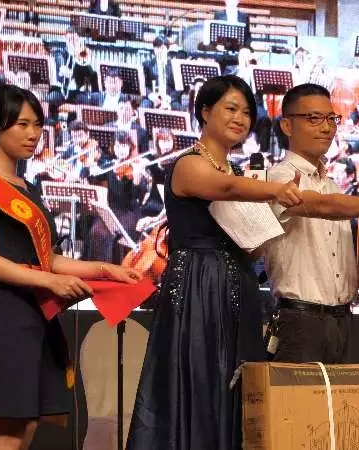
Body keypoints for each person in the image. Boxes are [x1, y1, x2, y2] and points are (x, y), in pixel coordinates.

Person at [125, 75, 303, 450]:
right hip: (197, 288)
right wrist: (276, 190)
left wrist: (274, 221)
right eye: (231, 108)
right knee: (200, 382)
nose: (240, 118)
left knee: (237, 389)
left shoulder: (238, 174)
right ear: (206, 112)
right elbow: (225, 188)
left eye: (247, 112)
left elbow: (250, 247)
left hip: (238, 287)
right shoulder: (189, 165)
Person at [0, 85, 141, 450]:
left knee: (25, 426)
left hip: (37, 317)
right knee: (6, 432)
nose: (33, 134)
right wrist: (49, 281)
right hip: (7, 319)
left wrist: (106, 270)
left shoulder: (27, 187)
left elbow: (49, 259)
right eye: (22, 124)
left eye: (38, 125)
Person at [262, 83, 359, 364]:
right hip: (299, 322)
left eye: (331, 118)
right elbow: (320, 206)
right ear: (287, 126)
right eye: (314, 118)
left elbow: (337, 264)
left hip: (344, 321)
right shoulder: (277, 178)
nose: (327, 127)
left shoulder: (333, 187)